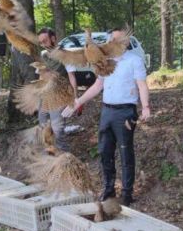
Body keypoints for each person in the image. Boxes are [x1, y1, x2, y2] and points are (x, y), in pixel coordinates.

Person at [62, 27, 151, 206]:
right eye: (112, 40)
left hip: (126, 111)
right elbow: (97, 86)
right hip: (107, 111)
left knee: (125, 152)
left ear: (125, 42)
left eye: (118, 40)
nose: (114, 43)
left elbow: (142, 85)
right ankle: (109, 189)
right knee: (105, 151)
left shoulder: (134, 61)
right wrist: (78, 102)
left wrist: (146, 107)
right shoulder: (105, 61)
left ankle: (127, 193)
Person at [37, 28, 78, 151]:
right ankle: (49, 153)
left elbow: (72, 76)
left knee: (58, 129)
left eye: (45, 41)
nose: (43, 44)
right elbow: (40, 75)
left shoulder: (64, 55)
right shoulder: (42, 55)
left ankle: (65, 158)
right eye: (41, 42)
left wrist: (75, 98)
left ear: (53, 38)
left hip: (60, 96)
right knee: (43, 126)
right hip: (45, 96)